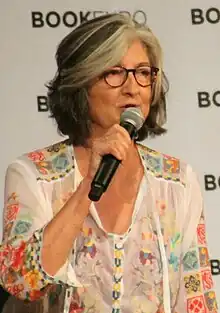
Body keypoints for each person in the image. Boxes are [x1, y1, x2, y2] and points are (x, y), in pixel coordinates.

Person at [0, 13, 218, 313]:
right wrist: (87, 187)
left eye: (143, 72)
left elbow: (198, 299)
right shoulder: (34, 175)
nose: (133, 87)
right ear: (80, 82)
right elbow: (21, 283)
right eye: (115, 72)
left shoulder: (177, 181)